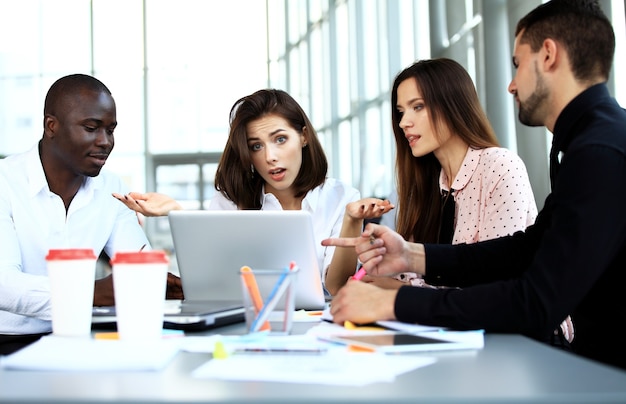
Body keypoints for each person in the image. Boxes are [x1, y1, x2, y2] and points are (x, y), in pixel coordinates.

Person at [323, 0, 626, 370]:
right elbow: (527, 248)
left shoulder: (600, 151)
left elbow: (537, 301)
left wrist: (397, 301)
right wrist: (413, 256)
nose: (511, 85)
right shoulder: (590, 143)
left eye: (517, 64)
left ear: (548, 55)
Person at [113, 89, 393, 291]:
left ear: (304, 136)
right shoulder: (230, 200)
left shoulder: (341, 198)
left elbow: (336, 286)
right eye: (256, 146)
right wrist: (177, 212)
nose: (270, 156)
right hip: (246, 322)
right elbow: (213, 277)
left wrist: (351, 221)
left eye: (280, 139)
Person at [0, 74, 183, 355]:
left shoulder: (111, 187)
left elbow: (136, 263)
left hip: (83, 337)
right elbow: (5, 286)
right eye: (91, 128)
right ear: (51, 126)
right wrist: (94, 292)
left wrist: (164, 282)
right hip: (8, 341)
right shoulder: (5, 182)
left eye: (110, 130)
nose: (105, 142)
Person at [324, 58, 538, 295]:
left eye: (417, 107)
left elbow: (495, 284)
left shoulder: (500, 166)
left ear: (453, 105)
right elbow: (344, 287)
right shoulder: (425, 187)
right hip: (448, 329)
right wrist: (352, 222)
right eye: (400, 112)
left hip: (515, 330)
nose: (404, 122)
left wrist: (400, 290)